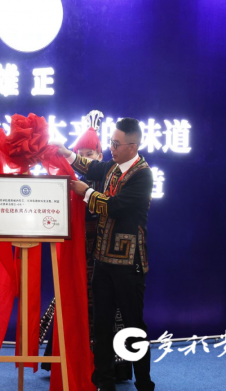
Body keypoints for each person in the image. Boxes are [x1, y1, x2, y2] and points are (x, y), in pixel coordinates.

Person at [54, 117, 155, 391]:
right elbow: (91, 166)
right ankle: (104, 382)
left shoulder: (143, 175)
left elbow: (116, 206)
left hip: (129, 263)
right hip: (102, 260)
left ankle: (144, 383)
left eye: (116, 144)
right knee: (102, 324)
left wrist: (86, 192)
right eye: (111, 142)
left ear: (133, 146)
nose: (112, 148)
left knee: (133, 326)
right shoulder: (112, 166)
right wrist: (66, 153)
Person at [40, 120, 133, 383]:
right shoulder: (74, 183)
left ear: (100, 156)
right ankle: (72, 360)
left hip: (106, 256)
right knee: (76, 303)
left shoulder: (113, 182)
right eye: (80, 154)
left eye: (89, 154)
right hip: (81, 256)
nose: (84, 158)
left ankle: (112, 368)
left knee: (108, 309)